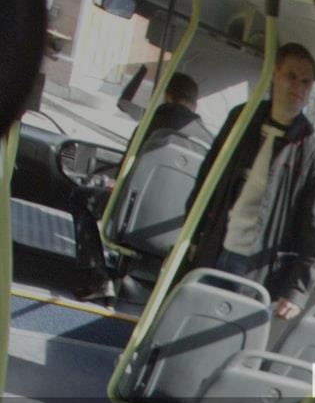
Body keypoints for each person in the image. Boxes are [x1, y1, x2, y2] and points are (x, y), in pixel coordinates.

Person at [187, 43, 315, 321]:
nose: (298, 87)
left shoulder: (313, 153)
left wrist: (297, 290)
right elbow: (209, 178)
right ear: (275, 75)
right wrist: (193, 234)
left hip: (259, 267)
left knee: (230, 334)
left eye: (306, 82)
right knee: (192, 319)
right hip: (215, 245)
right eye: (291, 76)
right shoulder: (242, 119)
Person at [72, 73, 213, 301]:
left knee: (80, 196)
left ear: (167, 96)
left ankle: (97, 277)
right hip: (178, 232)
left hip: (131, 220)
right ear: (195, 104)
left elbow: (125, 175)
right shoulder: (209, 143)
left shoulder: (148, 126)